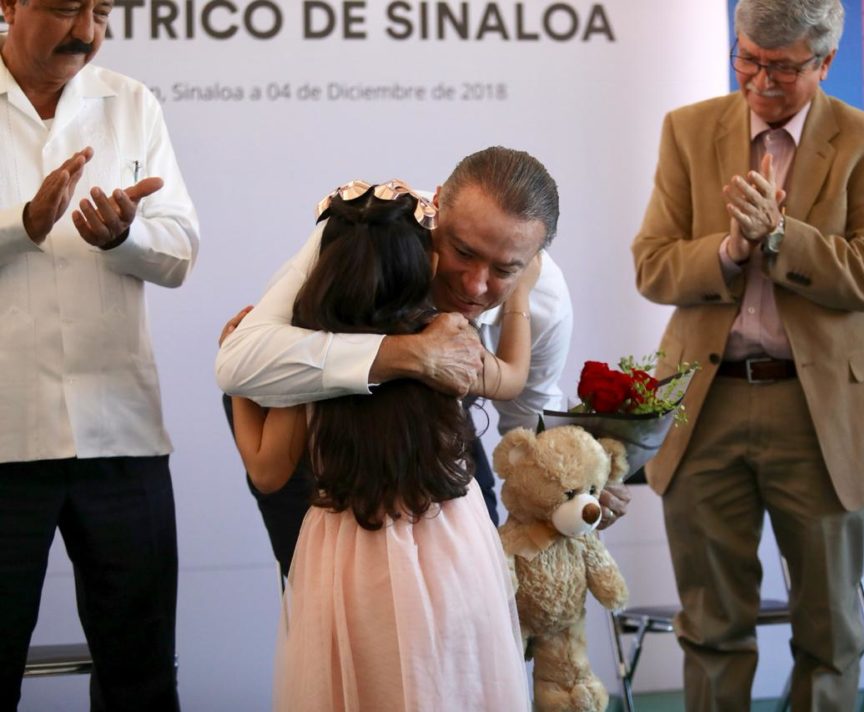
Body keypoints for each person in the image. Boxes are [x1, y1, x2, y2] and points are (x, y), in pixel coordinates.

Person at [631, 1, 864, 709]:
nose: (760, 81)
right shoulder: (689, 129)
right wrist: (729, 250)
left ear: (825, 62)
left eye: (782, 68)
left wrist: (782, 237)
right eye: (748, 59)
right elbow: (653, 265)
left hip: (818, 412)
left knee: (830, 631)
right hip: (706, 401)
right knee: (711, 626)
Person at [215, 147, 630, 557]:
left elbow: (527, 407)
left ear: (533, 259)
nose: (475, 285)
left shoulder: (543, 298)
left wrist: (576, 483)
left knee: (472, 560)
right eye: (463, 252)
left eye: (504, 270)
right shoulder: (366, 235)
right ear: (436, 206)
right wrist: (414, 354)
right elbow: (240, 363)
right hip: (320, 439)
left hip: (430, 446)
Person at [229, 183, 529, 710]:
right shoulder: (447, 337)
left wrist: (243, 387)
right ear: (425, 264)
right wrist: (519, 298)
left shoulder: (308, 369)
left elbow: (266, 471)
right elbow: (513, 378)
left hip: (349, 561)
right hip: (452, 551)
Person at [0, 1, 198, 710]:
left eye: (102, 11)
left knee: (142, 678)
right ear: (8, 6)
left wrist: (124, 238)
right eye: (64, 7)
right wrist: (23, 225)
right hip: (4, 436)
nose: (85, 30)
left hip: (121, 435)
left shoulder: (130, 102)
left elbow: (180, 250)